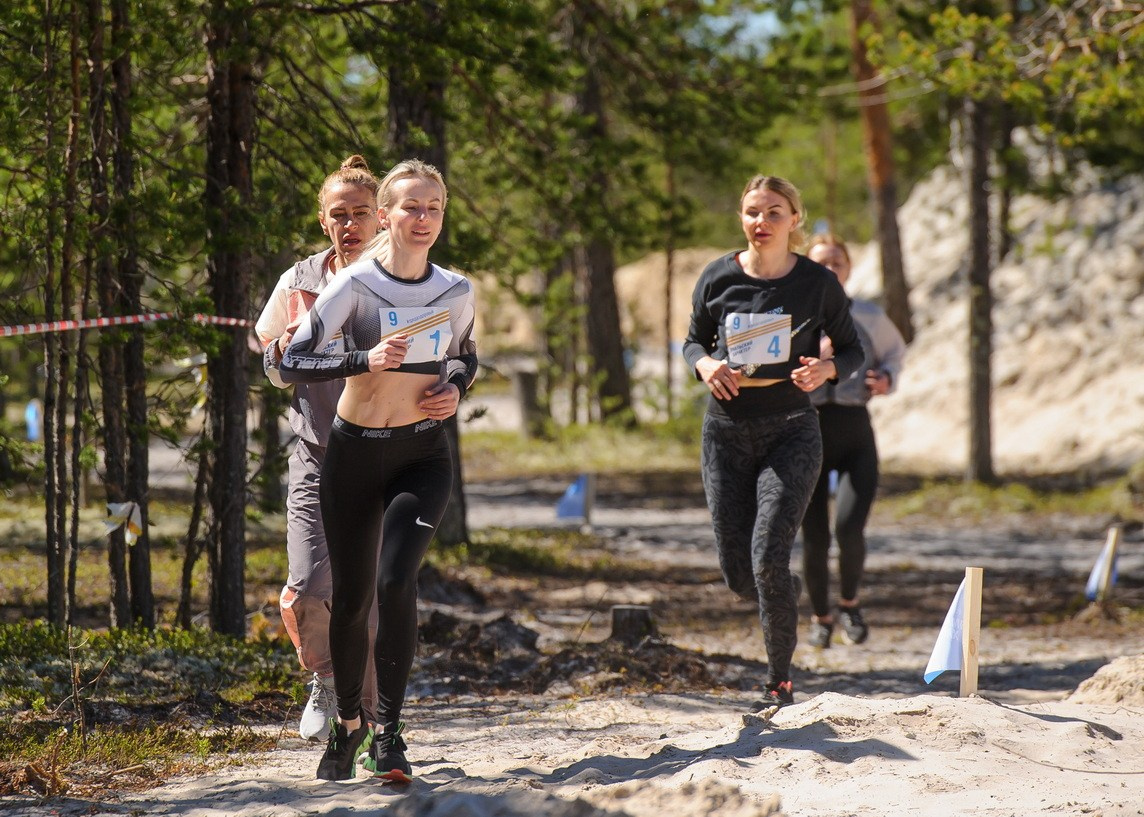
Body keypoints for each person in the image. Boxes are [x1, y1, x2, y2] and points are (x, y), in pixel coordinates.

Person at [277, 159, 478, 782]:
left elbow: (466, 357)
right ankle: (346, 725)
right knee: (353, 598)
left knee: (397, 581)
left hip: (422, 454)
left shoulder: (455, 290)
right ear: (385, 216)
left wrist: (453, 388)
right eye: (411, 208)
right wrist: (365, 357)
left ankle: (388, 734)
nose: (423, 219)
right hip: (356, 452)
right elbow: (291, 360)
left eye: (434, 208)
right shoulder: (356, 285)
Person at [682, 175, 864, 707]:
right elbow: (692, 341)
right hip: (725, 432)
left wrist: (826, 370)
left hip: (791, 428)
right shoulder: (717, 275)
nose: (761, 222)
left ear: (794, 221)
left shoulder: (816, 282)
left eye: (774, 213)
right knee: (741, 575)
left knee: (767, 556)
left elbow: (853, 352)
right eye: (752, 212)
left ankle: (779, 680)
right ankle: (783, 592)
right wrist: (707, 363)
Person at [256, 155, 383, 742]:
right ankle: (327, 681)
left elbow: (453, 352)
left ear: (381, 218)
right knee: (307, 588)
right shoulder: (299, 281)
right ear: (324, 220)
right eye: (340, 215)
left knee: (365, 596)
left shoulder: (401, 277)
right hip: (316, 450)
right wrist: (282, 353)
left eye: (362, 213)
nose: (351, 224)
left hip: (384, 452)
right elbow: (273, 366)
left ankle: (375, 729)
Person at [800, 234, 905, 648]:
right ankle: (820, 618)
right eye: (820, 262)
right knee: (814, 535)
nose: (829, 270)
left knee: (848, 527)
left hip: (855, 431)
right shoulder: (791, 315)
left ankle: (850, 604)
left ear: (848, 269)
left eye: (837, 263)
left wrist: (887, 379)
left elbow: (895, 355)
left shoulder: (868, 315)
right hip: (805, 433)